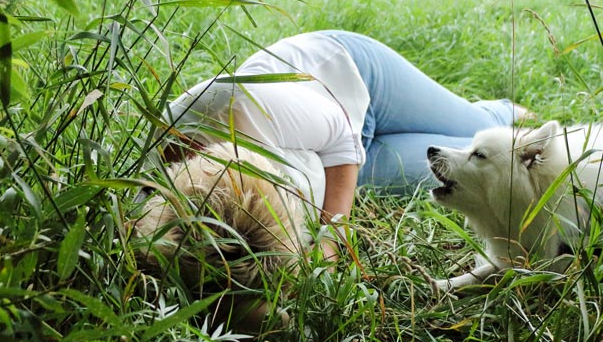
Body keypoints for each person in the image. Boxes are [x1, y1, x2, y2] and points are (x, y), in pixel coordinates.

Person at [158, 30, 528, 260]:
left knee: (484, 129)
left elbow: (339, 129)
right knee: (469, 161)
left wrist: (332, 242)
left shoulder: (231, 105)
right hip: (347, 165)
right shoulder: (167, 216)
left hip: (350, 79)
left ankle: (500, 110)